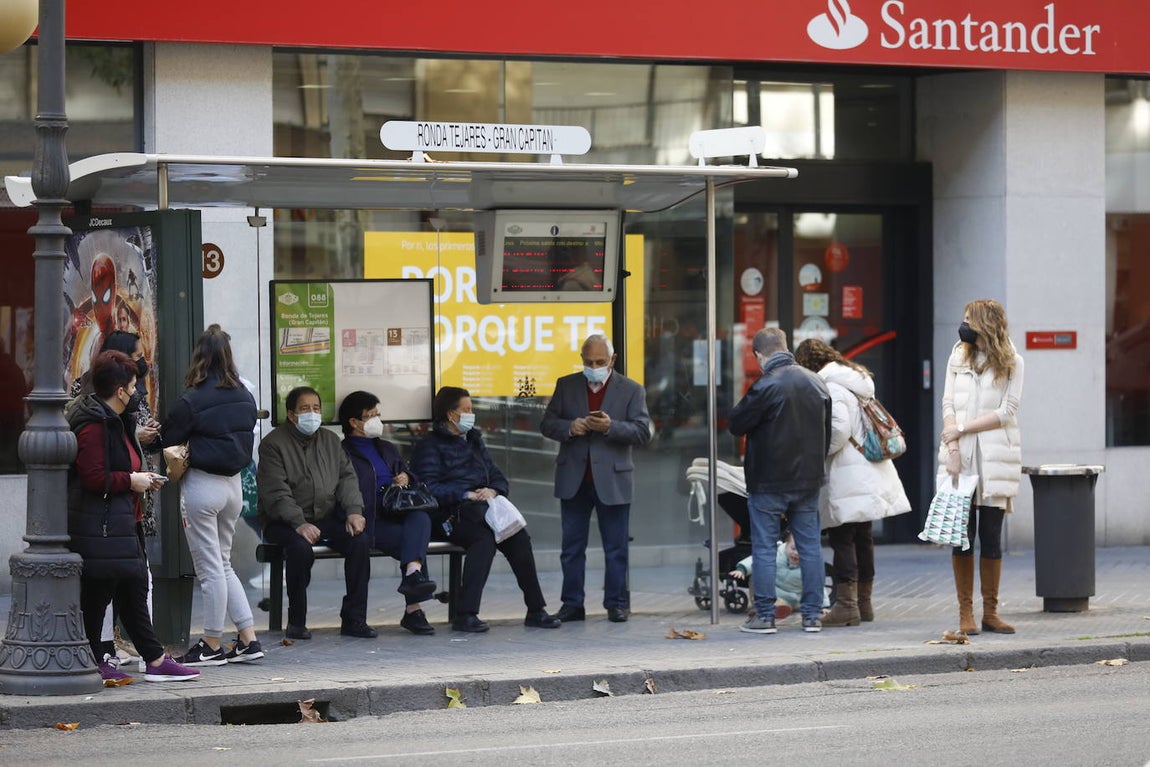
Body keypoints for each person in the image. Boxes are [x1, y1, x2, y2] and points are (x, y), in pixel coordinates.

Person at [65, 350, 199, 685]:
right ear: (120, 389)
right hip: (103, 526)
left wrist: (139, 480)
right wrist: (133, 480)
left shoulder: (117, 420)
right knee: (100, 593)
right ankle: (95, 658)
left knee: (133, 590)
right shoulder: (96, 425)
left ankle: (153, 659)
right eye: (134, 384)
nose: (137, 391)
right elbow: (94, 476)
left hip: (123, 521)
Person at [411, 386, 560, 632]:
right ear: (451, 414)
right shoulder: (430, 445)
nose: (472, 414)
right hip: (450, 515)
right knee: (484, 540)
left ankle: (536, 610)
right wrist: (465, 494)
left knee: (519, 537)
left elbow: (497, 476)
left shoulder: (474, 439)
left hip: (484, 510)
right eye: (466, 409)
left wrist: (493, 491)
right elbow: (428, 488)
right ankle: (466, 614)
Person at [164, 325, 264, 665]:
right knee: (223, 565)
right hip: (233, 486)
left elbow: (169, 437)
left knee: (209, 570)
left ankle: (210, 643)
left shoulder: (191, 399)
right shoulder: (244, 395)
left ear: (199, 357)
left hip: (202, 486)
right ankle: (249, 639)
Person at [794, 338, 911, 626]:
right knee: (863, 536)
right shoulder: (856, 382)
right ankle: (864, 604)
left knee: (842, 537)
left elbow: (838, 430)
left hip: (847, 471)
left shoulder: (832, 386)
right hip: (867, 470)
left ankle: (847, 606)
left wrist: (816, 453)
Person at [539, 334, 651, 623]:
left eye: (600, 362)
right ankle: (572, 604)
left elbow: (642, 432)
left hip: (613, 480)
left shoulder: (632, 390)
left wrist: (611, 427)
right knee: (571, 548)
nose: (593, 366)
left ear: (612, 360)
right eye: (588, 362)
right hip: (574, 477)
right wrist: (570, 427)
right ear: (582, 359)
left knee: (616, 548)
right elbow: (548, 424)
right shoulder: (566, 385)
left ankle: (616, 603)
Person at [728, 327, 831, 635]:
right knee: (811, 546)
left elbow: (737, 423)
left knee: (762, 546)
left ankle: (764, 615)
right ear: (786, 347)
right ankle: (813, 616)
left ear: (759, 355)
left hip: (769, 481)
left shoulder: (765, 385)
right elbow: (827, 432)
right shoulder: (816, 382)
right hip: (809, 479)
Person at [258, 386, 375, 639]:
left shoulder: (331, 441)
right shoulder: (273, 444)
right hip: (284, 522)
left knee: (359, 541)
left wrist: (354, 511)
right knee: (300, 549)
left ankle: (354, 619)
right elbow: (276, 492)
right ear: (291, 414)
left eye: (316, 408)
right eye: (304, 408)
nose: (312, 413)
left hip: (325, 516)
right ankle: (297, 621)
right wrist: (298, 522)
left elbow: (347, 479)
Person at [940, 299, 1024, 637]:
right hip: (960, 457)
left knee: (990, 537)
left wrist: (961, 429)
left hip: (994, 460)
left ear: (985, 324)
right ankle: (966, 614)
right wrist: (953, 446)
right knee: (961, 537)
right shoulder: (957, 355)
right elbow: (947, 403)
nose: (963, 325)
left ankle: (991, 612)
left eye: (968, 320)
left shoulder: (1012, 362)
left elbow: (1008, 412)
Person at [339, 390, 438, 636]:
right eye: (370, 415)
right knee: (414, 542)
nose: (376, 420)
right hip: (369, 519)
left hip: (397, 512)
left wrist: (406, 477)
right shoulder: (343, 451)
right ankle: (413, 609)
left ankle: (413, 574)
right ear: (354, 422)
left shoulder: (387, 447)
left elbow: (409, 474)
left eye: (378, 414)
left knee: (421, 517)